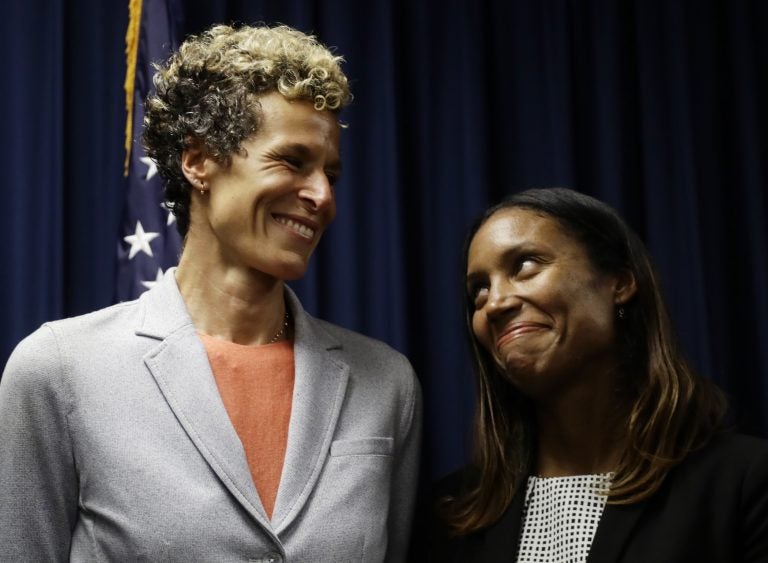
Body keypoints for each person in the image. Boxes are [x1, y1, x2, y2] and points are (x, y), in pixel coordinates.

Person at [0, 23, 421, 562]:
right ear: (198, 161)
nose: (321, 196)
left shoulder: (387, 383)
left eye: (330, 174)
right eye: (292, 161)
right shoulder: (57, 368)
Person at [427, 187, 768, 562]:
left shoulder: (743, 483)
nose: (495, 303)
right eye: (479, 289)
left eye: (524, 266)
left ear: (619, 282)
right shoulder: (452, 512)